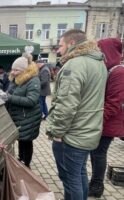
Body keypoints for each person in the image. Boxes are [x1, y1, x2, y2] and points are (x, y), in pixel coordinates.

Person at [46, 29, 107, 200]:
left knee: (70, 179)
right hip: (88, 131)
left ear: (72, 43)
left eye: (61, 45)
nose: (58, 50)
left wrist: (57, 132)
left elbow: (66, 105)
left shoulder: (74, 65)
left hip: (73, 134)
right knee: (79, 174)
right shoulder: (98, 62)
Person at [88, 38, 124, 198]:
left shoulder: (118, 72)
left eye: (101, 50)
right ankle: (95, 183)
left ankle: (96, 186)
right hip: (104, 121)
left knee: (99, 153)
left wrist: (97, 120)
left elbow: (114, 102)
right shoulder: (111, 70)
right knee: (95, 153)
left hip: (107, 123)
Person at [5, 53, 41, 168]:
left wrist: (10, 98)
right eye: (12, 69)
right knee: (21, 140)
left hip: (28, 118)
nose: (13, 72)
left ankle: (26, 165)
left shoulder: (33, 80)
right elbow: (10, 93)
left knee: (26, 142)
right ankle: (21, 161)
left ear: (25, 70)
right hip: (18, 117)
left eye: (16, 70)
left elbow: (31, 101)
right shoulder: (16, 79)